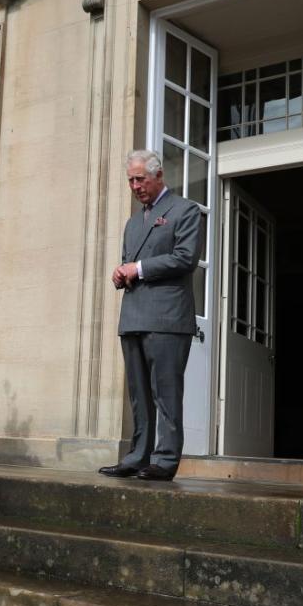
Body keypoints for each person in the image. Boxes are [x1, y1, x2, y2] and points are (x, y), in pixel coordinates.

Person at [100, 150, 202, 482]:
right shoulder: (133, 222)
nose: (135, 185)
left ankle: (166, 459)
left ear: (158, 176)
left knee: (166, 393)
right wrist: (122, 273)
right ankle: (137, 456)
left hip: (167, 318)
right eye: (130, 179)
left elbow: (185, 258)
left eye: (140, 178)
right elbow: (131, 263)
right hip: (133, 317)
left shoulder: (184, 210)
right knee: (138, 394)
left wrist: (138, 268)